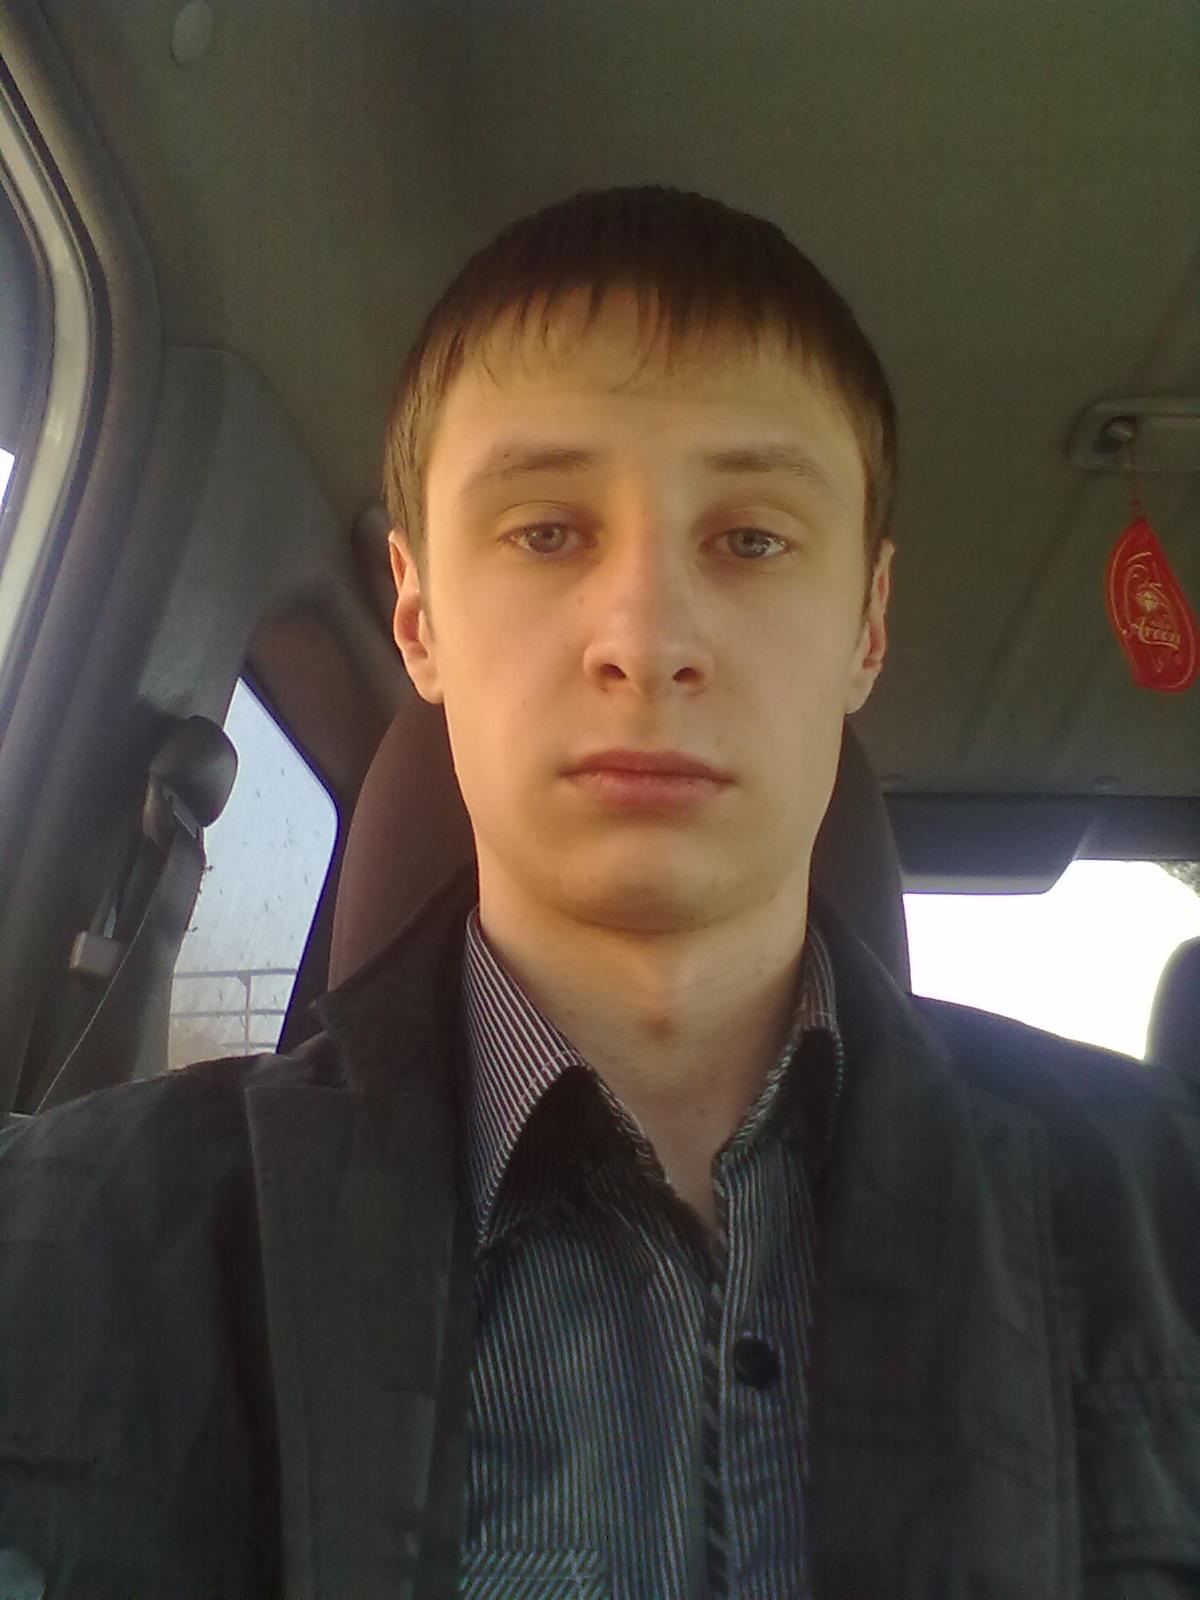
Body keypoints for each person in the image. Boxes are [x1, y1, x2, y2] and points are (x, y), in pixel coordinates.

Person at [1, 186, 1197, 1600]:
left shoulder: (1166, 1224)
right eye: (547, 531)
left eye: (751, 539)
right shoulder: (54, 1251)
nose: (646, 637)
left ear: (867, 627)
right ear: (418, 618)